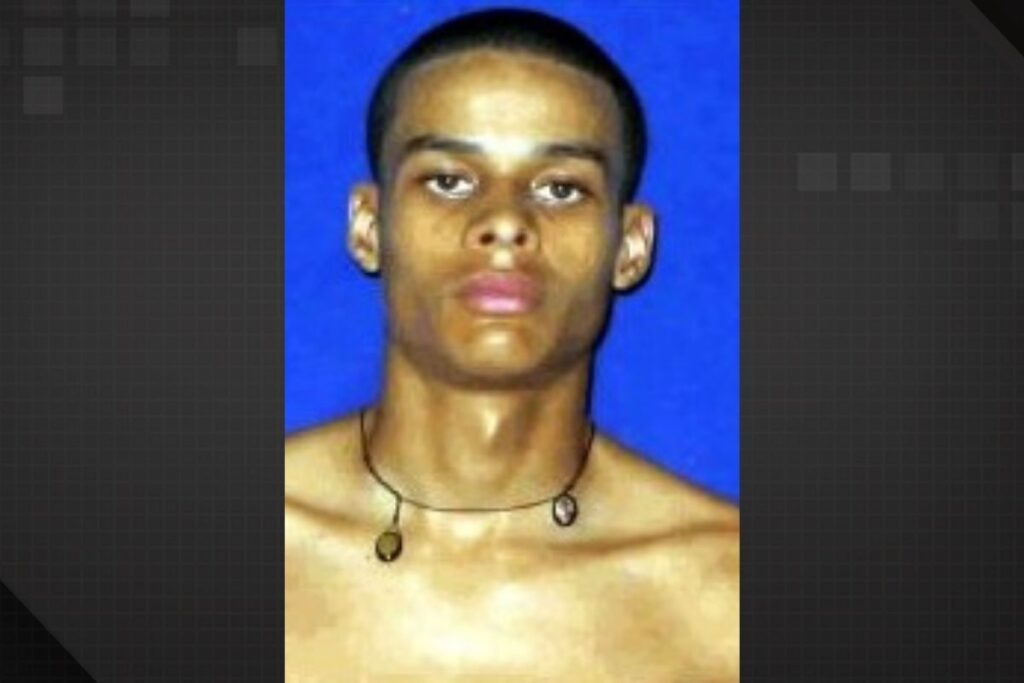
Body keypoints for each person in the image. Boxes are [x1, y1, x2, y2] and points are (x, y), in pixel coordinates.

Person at [285, 8, 738, 682]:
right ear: (368, 226)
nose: (504, 221)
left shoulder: (726, 598)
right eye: (449, 180)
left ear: (630, 246)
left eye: (560, 188)